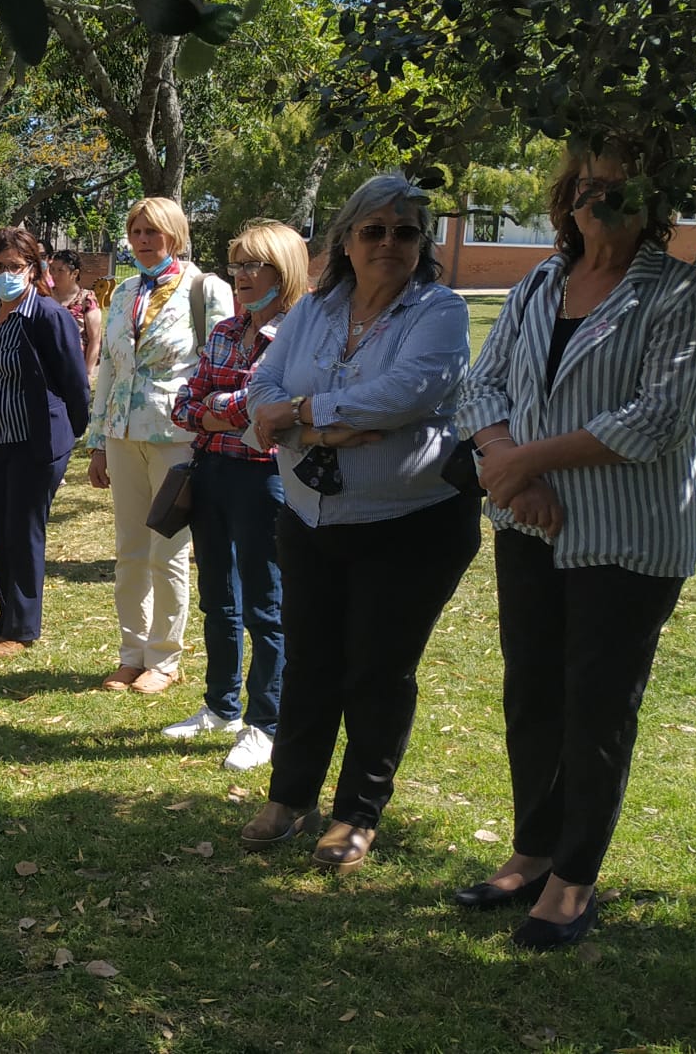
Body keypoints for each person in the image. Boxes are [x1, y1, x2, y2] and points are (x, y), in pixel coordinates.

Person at [450, 144, 696, 949]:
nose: (602, 199)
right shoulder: (536, 283)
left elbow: (655, 418)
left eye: (621, 187)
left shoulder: (680, 291)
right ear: (565, 200)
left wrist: (530, 457)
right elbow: (482, 384)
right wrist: (506, 463)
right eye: (588, 186)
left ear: (651, 201)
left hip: (624, 536)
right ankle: (533, 850)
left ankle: (573, 879)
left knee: (596, 705)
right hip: (530, 523)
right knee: (532, 693)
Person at [237, 174, 478, 875]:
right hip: (310, 518)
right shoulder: (316, 308)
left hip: (411, 524)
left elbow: (404, 394)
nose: (389, 244)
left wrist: (303, 416)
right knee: (311, 658)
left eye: (405, 232)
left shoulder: (439, 311)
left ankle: (356, 814)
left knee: (376, 668)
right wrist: (321, 425)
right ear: (346, 239)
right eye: (374, 230)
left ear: (421, 243)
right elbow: (261, 388)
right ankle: (290, 796)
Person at [164, 219, 309, 772]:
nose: (242, 276)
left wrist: (211, 411)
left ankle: (264, 723)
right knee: (217, 597)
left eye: (254, 265)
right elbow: (185, 401)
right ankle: (220, 705)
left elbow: (263, 404)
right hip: (213, 472)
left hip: (265, 479)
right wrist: (214, 412)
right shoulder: (226, 330)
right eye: (237, 265)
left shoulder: (299, 333)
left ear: (284, 270)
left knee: (264, 605)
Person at [87, 197, 236, 694]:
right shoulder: (125, 290)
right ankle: (132, 653)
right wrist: (98, 442)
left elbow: (224, 362)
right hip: (122, 433)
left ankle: (165, 658)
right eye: (136, 231)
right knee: (129, 549)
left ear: (175, 233)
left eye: (153, 231)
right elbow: (109, 367)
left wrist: (213, 428)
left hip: (179, 437)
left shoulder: (204, 289)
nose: (143, 240)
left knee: (167, 549)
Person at [0, 226, 90, 658]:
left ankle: (22, 629)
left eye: (15, 267)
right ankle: (5, 618)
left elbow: (74, 382)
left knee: (24, 532)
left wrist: (73, 433)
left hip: (37, 442)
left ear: (33, 270)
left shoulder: (48, 315)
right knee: (1, 531)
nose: (5, 274)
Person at [48, 250, 103, 375]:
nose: (54, 274)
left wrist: (87, 373)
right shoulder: (45, 296)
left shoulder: (86, 299)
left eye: (60, 270)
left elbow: (95, 339)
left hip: (74, 370)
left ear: (74, 273)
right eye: (52, 269)